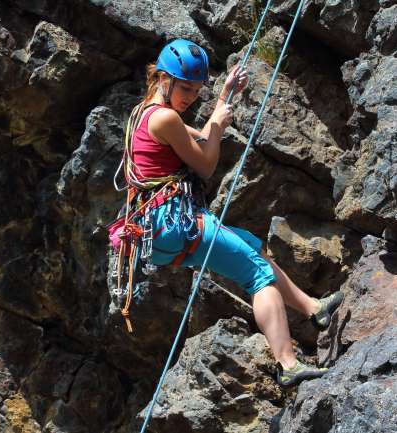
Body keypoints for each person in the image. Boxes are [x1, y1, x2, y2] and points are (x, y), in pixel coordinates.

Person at [112, 39, 343, 387]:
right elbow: (205, 163)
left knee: (250, 245)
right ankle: (287, 364)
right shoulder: (165, 118)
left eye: (196, 90)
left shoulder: (145, 113)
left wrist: (222, 101)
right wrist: (218, 123)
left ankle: (313, 309)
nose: (190, 96)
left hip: (158, 228)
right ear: (162, 78)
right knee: (258, 274)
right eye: (185, 88)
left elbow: (201, 139)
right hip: (174, 224)